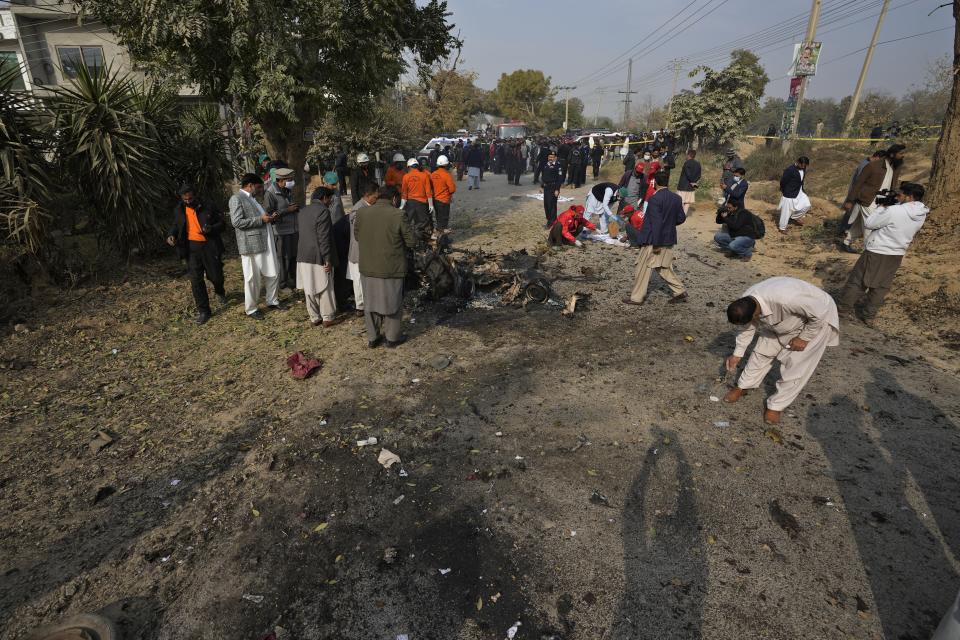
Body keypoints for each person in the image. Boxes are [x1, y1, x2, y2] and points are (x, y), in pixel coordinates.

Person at [722, 277, 840, 425]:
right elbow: (746, 328)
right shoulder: (745, 302)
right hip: (783, 319)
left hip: (817, 318)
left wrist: (804, 337)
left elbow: (819, 313)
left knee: (796, 366)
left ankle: (776, 406)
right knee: (761, 352)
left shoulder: (788, 299)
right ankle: (743, 386)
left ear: (755, 314)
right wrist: (737, 354)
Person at [836, 182, 928, 323]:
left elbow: (870, 223)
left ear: (909, 197)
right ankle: (868, 316)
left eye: (901, 194)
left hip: (877, 250)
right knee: (881, 286)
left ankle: (842, 310)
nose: (898, 196)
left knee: (858, 281)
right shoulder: (921, 213)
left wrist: (881, 208)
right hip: (896, 254)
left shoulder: (894, 211)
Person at [354, 185, 417, 348]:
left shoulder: (362, 212)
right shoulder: (398, 214)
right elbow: (411, 242)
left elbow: (357, 236)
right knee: (393, 303)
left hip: (367, 266)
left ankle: (373, 338)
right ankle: (392, 338)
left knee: (370, 304)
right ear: (394, 199)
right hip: (392, 267)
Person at [622, 172, 688, 306]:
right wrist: (668, 225)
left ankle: (637, 298)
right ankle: (680, 291)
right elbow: (681, 218)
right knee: (662, 267)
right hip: (668, 238)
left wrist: (657, 243)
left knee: (643, 268)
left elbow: (656, 222)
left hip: (654, 240)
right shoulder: (676, 198)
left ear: (655, 183)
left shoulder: (654, 199)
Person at [166, 184, 226, 325]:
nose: (188, 201)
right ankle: (204, 311)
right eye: (185, 199)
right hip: (191, 250)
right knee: (196, 281)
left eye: (190, 198)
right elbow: (176, 225)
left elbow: (222, 224)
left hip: (209, 247)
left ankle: (220, 290)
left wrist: (211, 228)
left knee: (215, 276)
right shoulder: (179, 210)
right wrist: (171, 235)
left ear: (195, 195)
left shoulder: (208, 206)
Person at [230, 173, 285, 320]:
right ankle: (251, 308)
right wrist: (260, 219)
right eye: (259, 186)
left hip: (266, 240)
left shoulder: (253, 199)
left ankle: (272, 300)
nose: (261, 189)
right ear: (250, 185)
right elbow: (237, 222)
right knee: (252, 278)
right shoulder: (236, 199)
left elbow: (261, 218)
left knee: (273, 271)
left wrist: (269, 217)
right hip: (250, 245)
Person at [842, 144, 905, 252]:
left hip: (882, 201)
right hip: (867, 199)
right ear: (892, 154)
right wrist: (850, 200)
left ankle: (846, 241)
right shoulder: (873, 166)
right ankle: (869, 249)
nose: (903, 156)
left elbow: (892, 184)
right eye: (901, 153)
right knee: (871, 224)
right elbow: (858, 183)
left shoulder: (894, 167)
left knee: (860, 225)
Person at [296, 187, 343, 327]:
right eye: (329, 199)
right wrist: (327, 259)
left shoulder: (303, 210)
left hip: (303, 254)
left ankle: (314, 317)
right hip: (318, 254)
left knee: (309, 287)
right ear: (324, 198)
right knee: (325, 286)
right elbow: (324, 238)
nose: (330, 202)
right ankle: (328, 317)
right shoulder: (323, 211)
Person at [263, 167, 300, 290]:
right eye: (289, 179)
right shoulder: (270, 193)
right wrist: (287, 211)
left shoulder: (287, 190)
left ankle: (293, 280)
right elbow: (269, 215)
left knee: (293, 256)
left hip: (293, 229)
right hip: (281, 231)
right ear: (281, 180)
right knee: (283, 258)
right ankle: (283, 285)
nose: (291, 181)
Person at [346, 182, 379, 316]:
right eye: (375, 196)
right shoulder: (358, 209)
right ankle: (360, 306)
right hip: (359, 251)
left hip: (365, 250)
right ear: (368, 195)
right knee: (359, 280)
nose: (377, 199)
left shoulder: (368, 206)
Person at [400, 157, 434, 242]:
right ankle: (421, 241)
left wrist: (401, 206)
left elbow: (404, 193)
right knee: (422, 223)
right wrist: (431, 204)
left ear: (409, 167)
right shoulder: (424, 175)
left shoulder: (406, 177)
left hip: (410, 203)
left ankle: (410, 241)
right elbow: (428, 191)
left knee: (408, 223)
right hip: (422, 203)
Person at [777, 156, 811, 232]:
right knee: (786, 211)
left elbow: (801, 180)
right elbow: (783, 181)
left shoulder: (803, 168)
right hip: (789, 192)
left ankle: (795, 217)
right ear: (798, 162)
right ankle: (782, 228)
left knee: (807, 204)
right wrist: (784, 191)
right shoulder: (789, 170)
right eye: (802, 165)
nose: (803, 167)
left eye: (805, 166)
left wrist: (802, 189)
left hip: (799, 190)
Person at [430, 154, 457, 235]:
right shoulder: (446, 175)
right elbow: (452, 189)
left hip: (435, 200)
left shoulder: (433, 174)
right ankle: (443, 242)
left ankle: (439, 237)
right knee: (444, 222)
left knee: (439, 219)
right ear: (446, 165)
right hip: (444, 201)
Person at [541, 150, 563, 228]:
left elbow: (560, 179)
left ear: (555, 157)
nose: (550, 158)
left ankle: (552, 221)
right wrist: (541, 186)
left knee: (552, 205)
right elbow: (544, 176)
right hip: (546, 187)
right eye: (549, 157)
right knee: (546, 204)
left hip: (553, 188)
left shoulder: (558, 165)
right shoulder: (545, 164)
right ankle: (549, 219)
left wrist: (557, 189)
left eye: (552, 157)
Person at [676, 149, 701, 215]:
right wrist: (694, 182)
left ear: (688, 155)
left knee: (680, 201)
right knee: (687, 202)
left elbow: (688, 174)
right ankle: (684, 215)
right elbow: (699, 175)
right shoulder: (698, 164)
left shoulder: (686, 163)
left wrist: (692, 181)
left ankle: (679, 215)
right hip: (691, 187)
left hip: (683, 186)